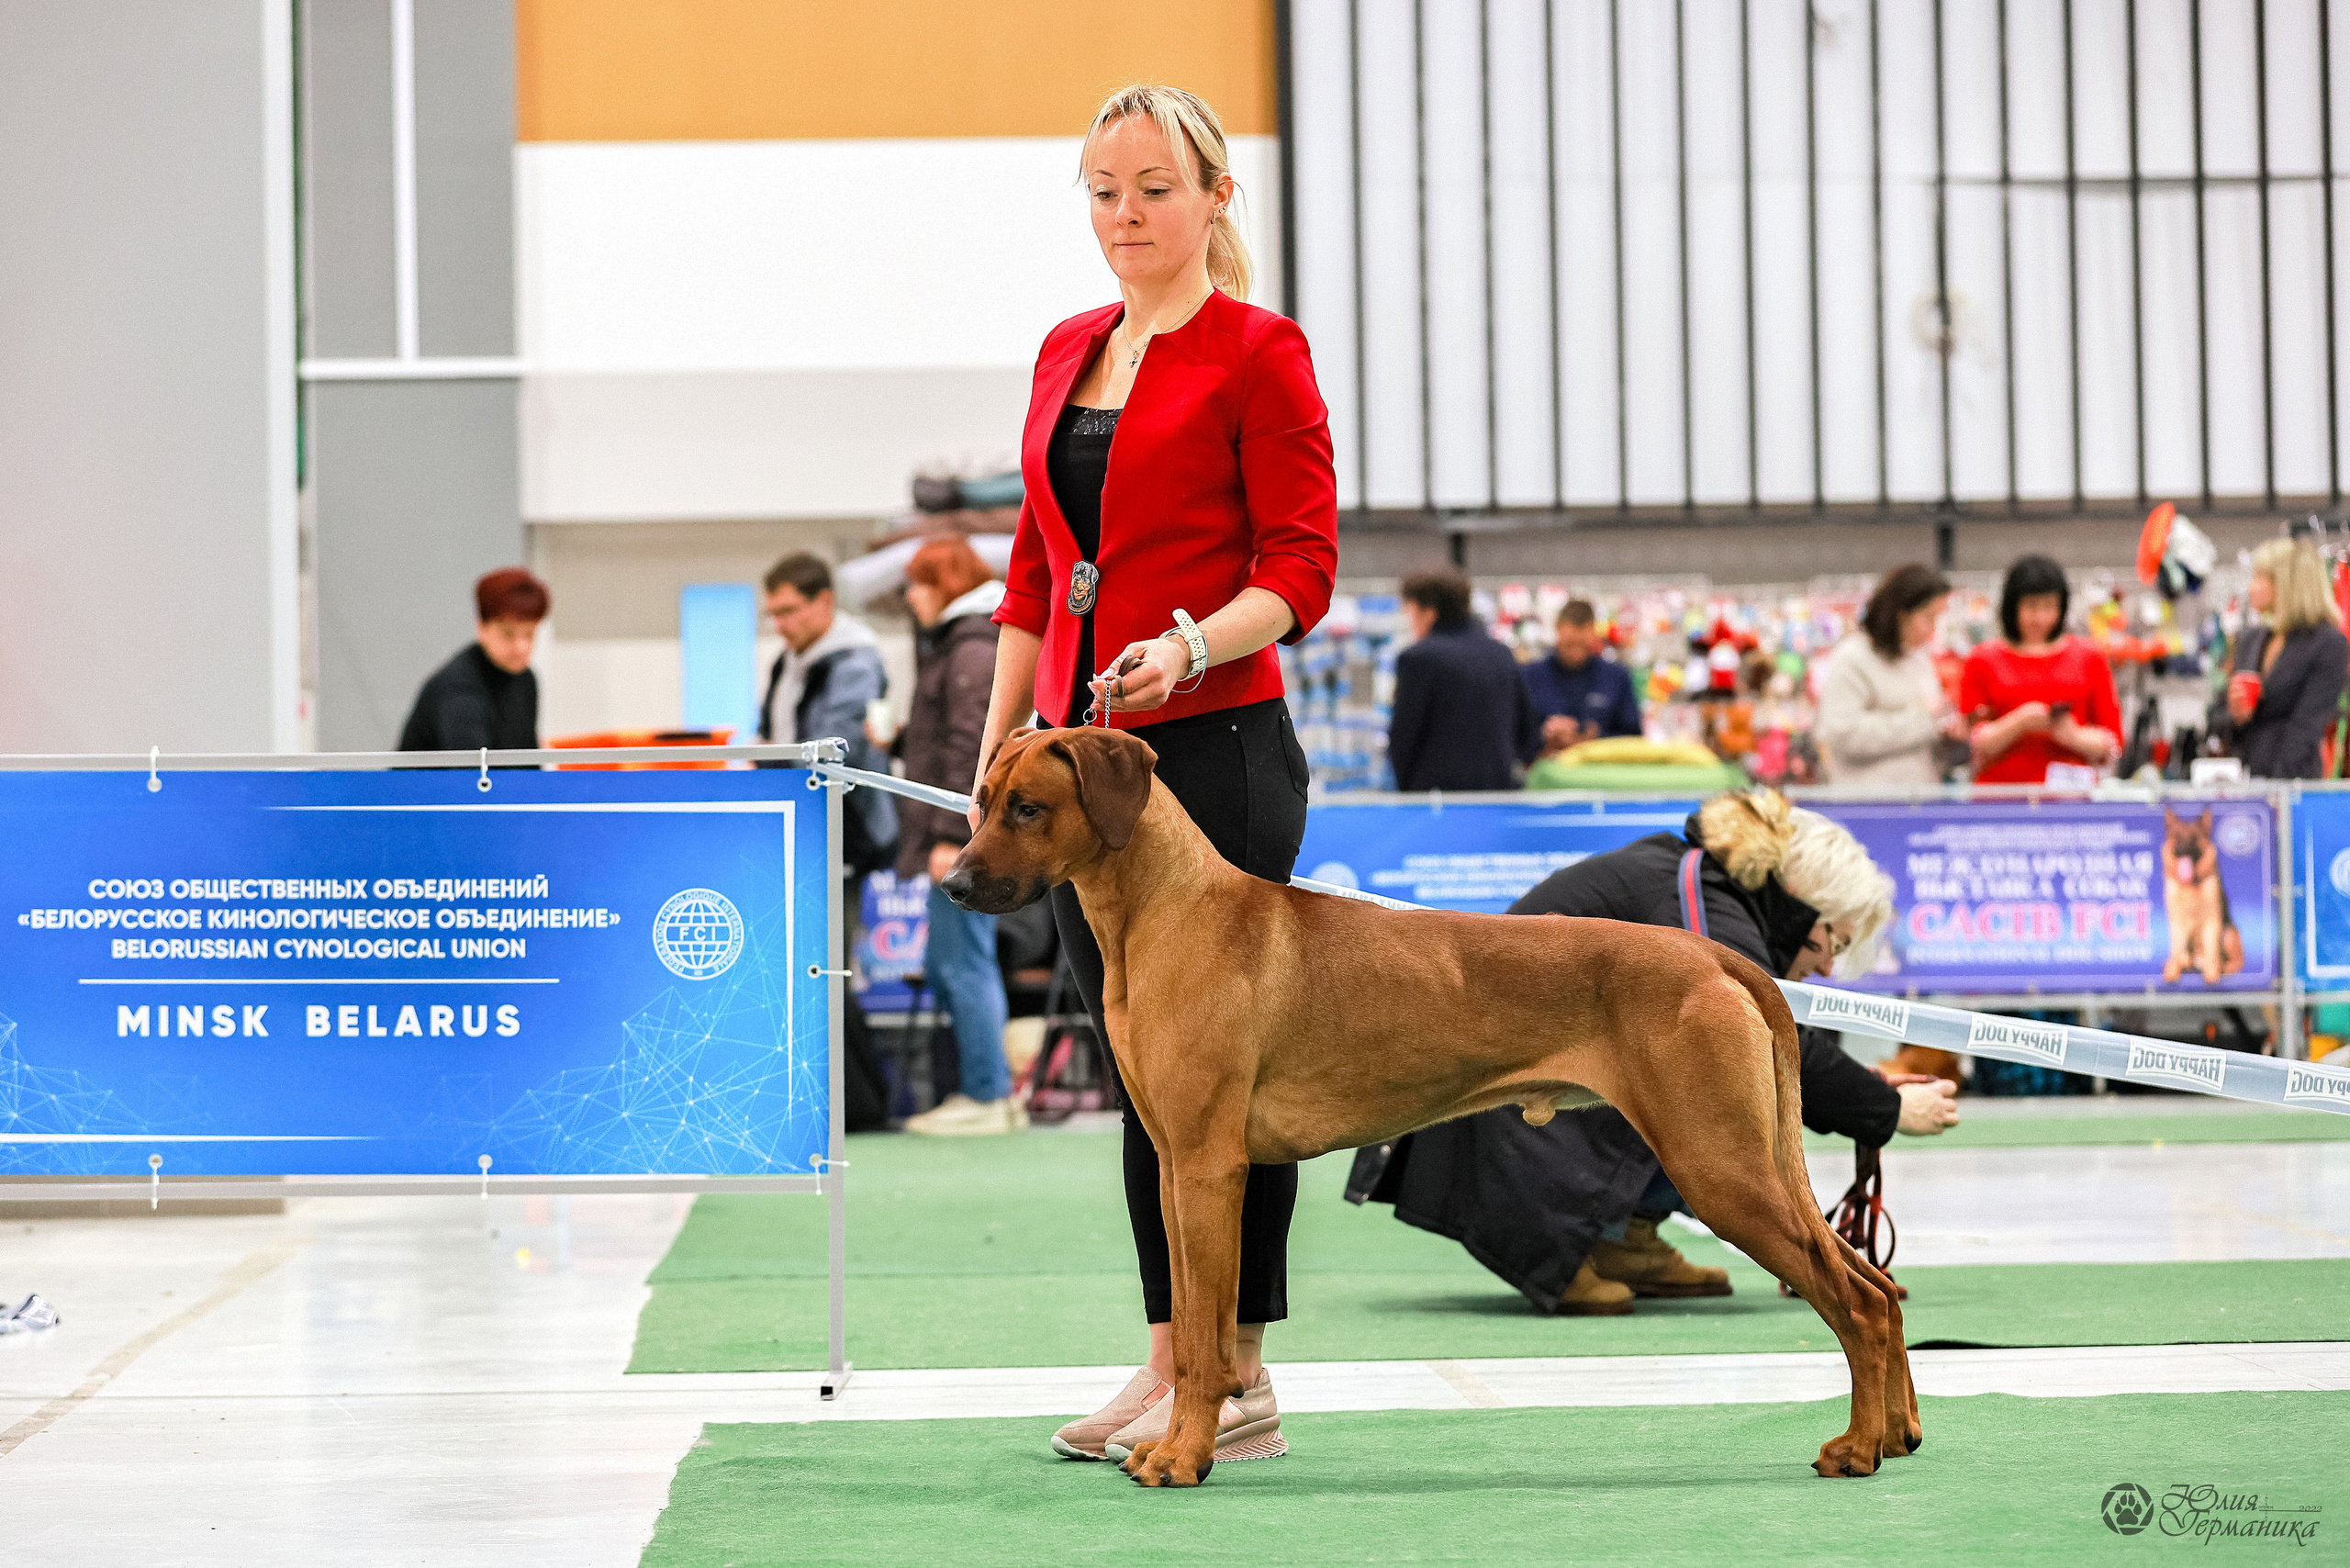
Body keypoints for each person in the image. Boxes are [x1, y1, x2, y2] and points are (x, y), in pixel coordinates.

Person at [971, 83, 1337, 1465]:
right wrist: (997, 752)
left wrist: (1187, 650)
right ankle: (1173, 1360)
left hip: (1214, 752)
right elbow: (1029, 570)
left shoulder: (1260, 350)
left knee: (1228, 1080)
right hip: (1075, 768)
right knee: (1147, 1079)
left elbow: (1300, 569)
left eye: (1154, 189)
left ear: (1216, 199)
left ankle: (1237, 1376)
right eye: (1105, 191)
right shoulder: (1067, 348)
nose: (1126, 214)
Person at [1347, 790, 1960, 1314]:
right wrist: (1887, 1109)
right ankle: (1568, 1241)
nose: (1827, 965)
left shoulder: (1696, 879)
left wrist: (1874, 1092)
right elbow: (1784, 1048)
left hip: (1501, 1098)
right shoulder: (1701, 901)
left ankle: (1623, 1236)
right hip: (1501, 1113)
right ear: (1800, 897)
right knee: (1707, 1079)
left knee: (1693, 1068)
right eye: (1834, 939)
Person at [894, 538, 1020, 1137]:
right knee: (952, 963)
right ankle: (985, 1089)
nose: (910, 597)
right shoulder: (963, 644)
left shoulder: (968, 649)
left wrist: (951, 836)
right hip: (955, 835)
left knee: (964, 964)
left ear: (942, 584)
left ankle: (988, 1093)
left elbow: (971, 748)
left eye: (918, 583)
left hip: (958, 838)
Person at [757, 552, 898, 874]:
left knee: (839, 923)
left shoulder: (854, 666)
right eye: (773, 614)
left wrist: (765, 759)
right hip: (803, 820)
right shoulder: (787, 662)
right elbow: (770, 730)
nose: (780, 625)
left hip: (848, 827)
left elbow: (836, 750)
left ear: (825, 601)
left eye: (788, 611)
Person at [1960, 554, 2121, 786]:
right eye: (2031, 607)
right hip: (2000, 797)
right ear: (2012, 606)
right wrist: (2021, 722)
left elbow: (2112, 740)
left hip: (2072, 798)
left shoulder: (2090, 657)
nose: (2040, 618)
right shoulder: (1983, 659)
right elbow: (1973, 740)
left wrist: (2070, 734)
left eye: (2049, 606)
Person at [2207, 537, 2349, 779]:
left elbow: (2305, 729)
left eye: (2260, 578)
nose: (2251, 588)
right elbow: (2215, 716)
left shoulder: (2329, 644)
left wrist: (2273, 795)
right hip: (2240, 781)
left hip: (2293, 785)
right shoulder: (2249, 639)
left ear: (2288, 584)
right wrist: (2235, 713)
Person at [1387, 566, 1536, 790]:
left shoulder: (1418, 658)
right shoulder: (1501, 654)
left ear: (1428, 612)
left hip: (1437, 802)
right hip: (1496, 796)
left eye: (1410, 610)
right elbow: (1526, 731)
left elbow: (1404, 739)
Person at [1815, 564, 1955, 788]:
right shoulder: (1853, 658)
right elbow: (1841, 733)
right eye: (1929, 618)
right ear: (1901, 614)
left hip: (1917, 800)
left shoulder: (1917, 658)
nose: (1933, 629)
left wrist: (1947, 728)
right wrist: (1923, 719)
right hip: (1869, 805)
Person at [397, 567, 547, 752]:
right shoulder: (457, 688)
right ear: (481, 628)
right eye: (508, 634)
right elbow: (473, 775)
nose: (521, 647)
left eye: (530, 634)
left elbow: (527, 766)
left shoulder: (526, 680)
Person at [1519, 599, 1642, 760]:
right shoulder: (1530, 676)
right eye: (1569, 644)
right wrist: (1545, 735)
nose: (1575, 652)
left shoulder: (1616, 677)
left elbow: (1634, 738)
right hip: (1545, 773)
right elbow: (1513, 736)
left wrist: (1595, 738)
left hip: (1600, 774)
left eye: (1581, 644)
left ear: (1593, 635)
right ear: (1558, 632)